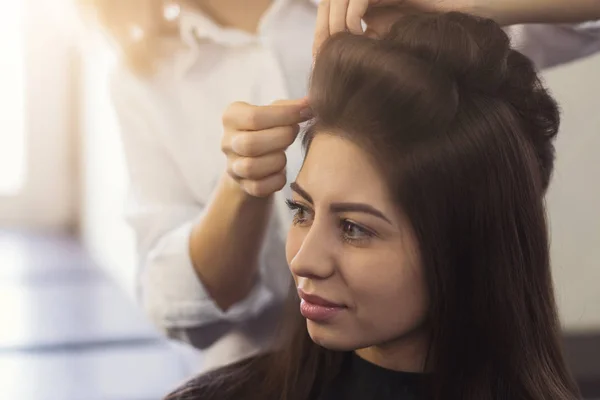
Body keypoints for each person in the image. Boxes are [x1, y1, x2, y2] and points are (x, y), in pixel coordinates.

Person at [78, 0, 599, 372]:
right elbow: (176, 304)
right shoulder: (143, 77)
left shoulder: (386, 11)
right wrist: (240, 185)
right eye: (300, 211)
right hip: (275, 378)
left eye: (353, 226)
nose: (303, 261)